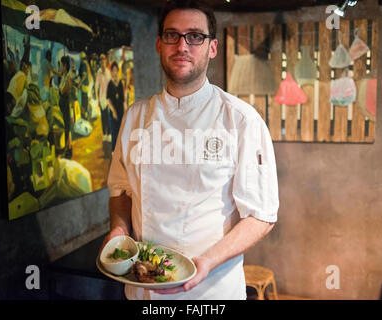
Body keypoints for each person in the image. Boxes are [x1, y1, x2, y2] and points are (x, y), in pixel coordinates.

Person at [102, 0, 279, 300]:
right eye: (172, 35)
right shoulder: (134, 117)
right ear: (159, 44)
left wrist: (208, 261)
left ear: (212, 48)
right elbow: (120, 191)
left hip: (211, 291)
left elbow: (261, 216)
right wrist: (119, 232)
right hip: (142, 287)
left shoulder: (240, 120)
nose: (182, 45)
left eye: (195, 36)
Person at [94, 54, 111, 158]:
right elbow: (96, 87)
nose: (102, 63)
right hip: (102, 101)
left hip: (108, 101)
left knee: (108, 124)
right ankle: (105, 150)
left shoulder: (108, 73)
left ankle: (109, 150)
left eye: (103, 61)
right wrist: (97, 100)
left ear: (106, 62)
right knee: (103, 123)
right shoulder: (98, 73)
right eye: (101, 62)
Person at [107, 61, 125, 152]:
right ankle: (114, 153)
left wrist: (125, 112)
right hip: (113, 113)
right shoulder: (110, 84)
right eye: (113, 71)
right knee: (114, 134)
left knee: (121, 132)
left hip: (121, 111)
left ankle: (120, 153)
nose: (114, 73)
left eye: (116, 71)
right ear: (111, 72)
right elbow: (108, 100)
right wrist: (113, 112)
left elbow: (123, 100)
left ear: (118, 71)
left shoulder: (121, 83)